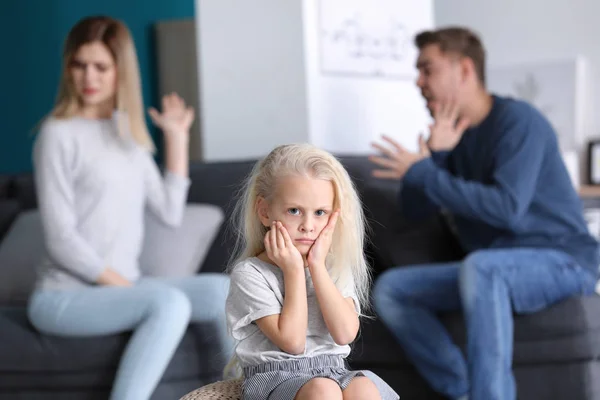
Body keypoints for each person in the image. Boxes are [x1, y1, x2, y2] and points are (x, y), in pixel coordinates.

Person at [369, 26, 600, 400]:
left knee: (482, 266)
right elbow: (415, 210)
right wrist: (438, 156)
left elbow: (506, 210)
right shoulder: (452, 138)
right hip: (493, 268)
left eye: (428, 69)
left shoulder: (519, 122)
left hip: (563, 261)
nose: (418, 81)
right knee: (393, 290)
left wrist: (424, 170)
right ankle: (462, 391)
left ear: (464, 70)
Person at [27, 16, 231, 400]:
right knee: (166, 302)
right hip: (63, 297)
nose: (89, 76)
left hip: (122, 289)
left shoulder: (128, 136)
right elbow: (60, 240)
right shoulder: (57, 134)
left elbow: (170, 213)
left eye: (101, 66)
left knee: (225, 291)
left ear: (121, 71)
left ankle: (248, 391)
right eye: (79, 64)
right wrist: (128, 286)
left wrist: (176, 139)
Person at [224, 143, 399, 400]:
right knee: (323, 390)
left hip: (334, 371)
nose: (308, 226)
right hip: (276, 378)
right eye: (294, 211)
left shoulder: (332, 267)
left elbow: (344, 334)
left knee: (363, 388)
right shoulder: (251, 273)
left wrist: (317, 267)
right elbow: (293, 343)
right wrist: (294, 271)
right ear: (264, 211)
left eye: (320, 213)